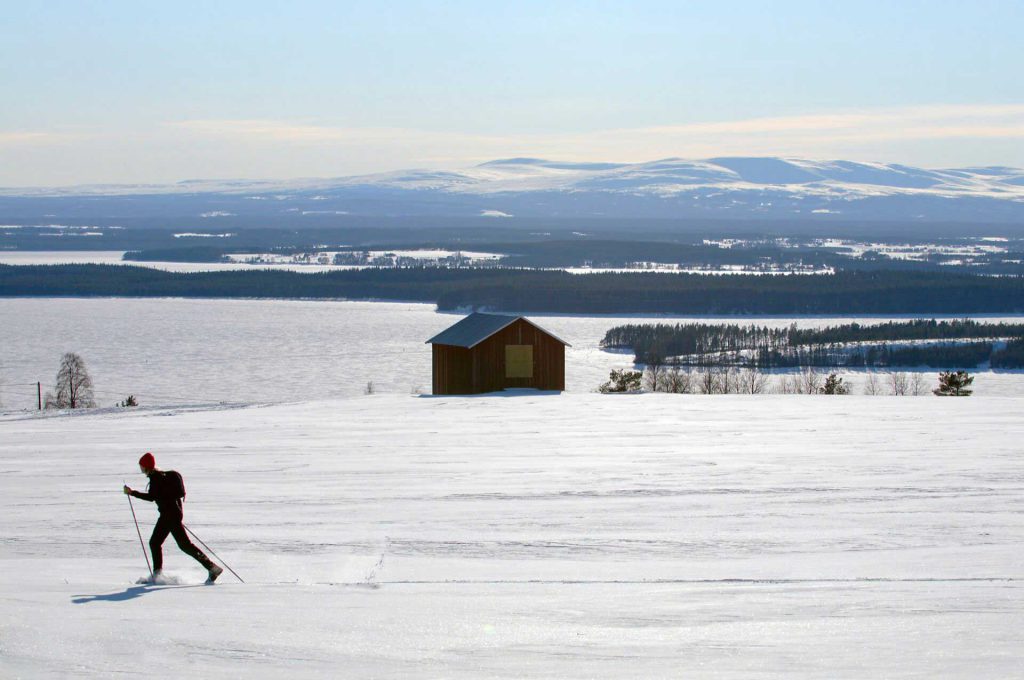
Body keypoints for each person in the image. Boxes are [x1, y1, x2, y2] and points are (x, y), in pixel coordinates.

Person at [124, 452, 223, 583]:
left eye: (142, 467)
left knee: (177, 545)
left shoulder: (156, 479)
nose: (141, 470)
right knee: (163, 543)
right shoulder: (163, 476)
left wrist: (132, 493)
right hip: (171, 515)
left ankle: (211, 567)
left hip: (168, 516)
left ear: (147, 467)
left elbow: (151, 497)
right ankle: (158, 574)